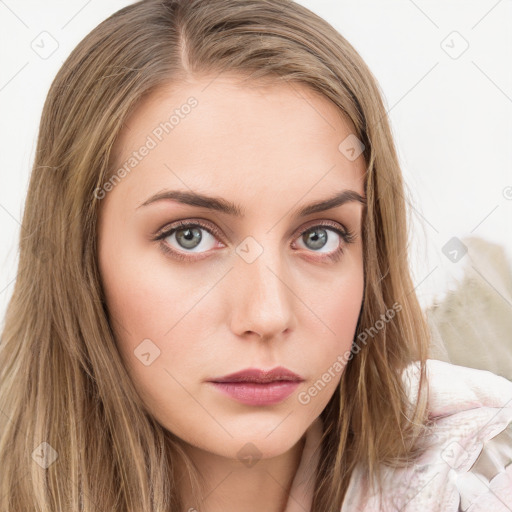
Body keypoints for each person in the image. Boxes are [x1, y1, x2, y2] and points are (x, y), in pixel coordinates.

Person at [0, 1, 510, 511]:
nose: (268, 315)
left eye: (319, 237)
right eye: (190, 237)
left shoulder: (477, 479)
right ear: (80, 260)